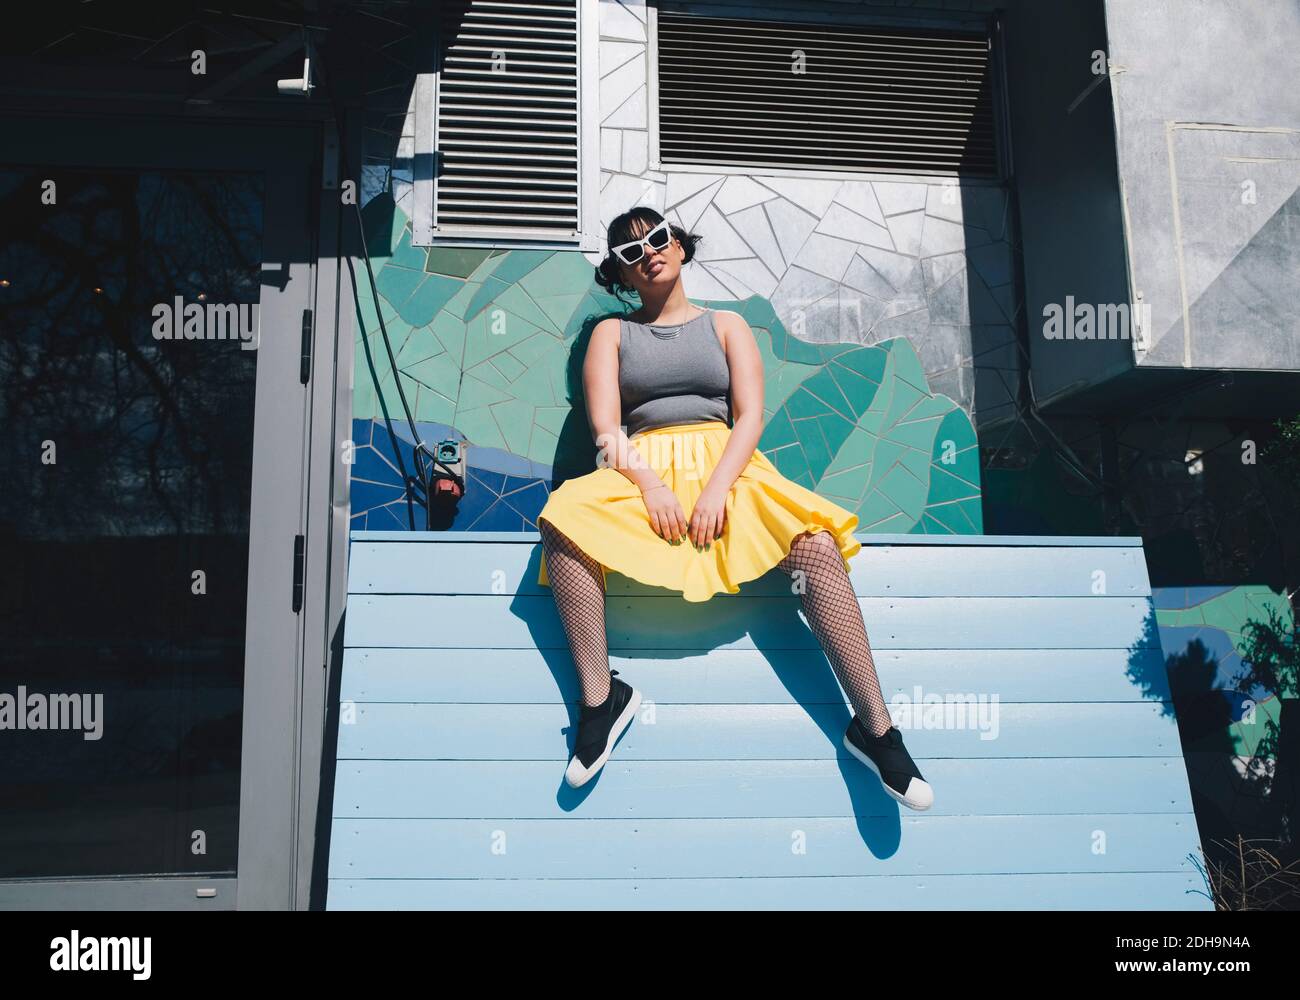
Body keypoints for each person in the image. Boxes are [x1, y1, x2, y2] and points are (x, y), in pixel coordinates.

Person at [535, 206, 933, 811]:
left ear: (681, 246)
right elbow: (607, 431)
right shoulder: (610, 335)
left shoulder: (728, 325)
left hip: (729, 464)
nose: (650, 254)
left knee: (816, 547)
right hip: (641, 468)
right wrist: (650, 485)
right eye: (631, 253)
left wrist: (718, 487)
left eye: (660, 239)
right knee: (564, 522)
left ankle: (875, 728)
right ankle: (600, 701)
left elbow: (749, 417)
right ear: (620, 274)